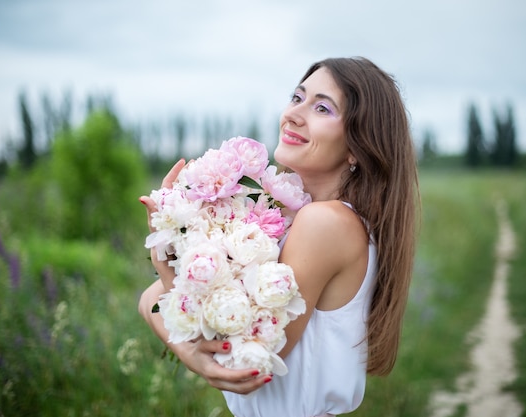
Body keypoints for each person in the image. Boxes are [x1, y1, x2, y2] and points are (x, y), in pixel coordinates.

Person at [138, 56, 419, 417]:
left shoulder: (326, 223)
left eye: (322, 107)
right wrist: (193, 353)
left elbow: (248, 355)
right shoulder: (287, 220)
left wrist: (169, 238)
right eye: (297, 97)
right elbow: (149, 300)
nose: (295, 114)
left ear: (356, 147)